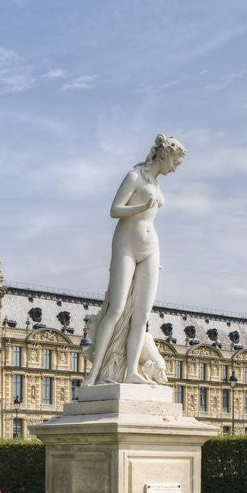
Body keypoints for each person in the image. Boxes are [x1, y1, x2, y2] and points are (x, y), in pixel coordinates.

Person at [85, 134, 186, 386]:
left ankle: (131, 370)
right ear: (164, 155)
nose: (175, 169)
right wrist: (140, 208)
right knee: (117, 308)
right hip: (126, 244)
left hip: (151, 248)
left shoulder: (156, 183)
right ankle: (95, 373)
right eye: (175, 162)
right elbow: (114, 210)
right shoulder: (134, 177)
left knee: (141, 315)